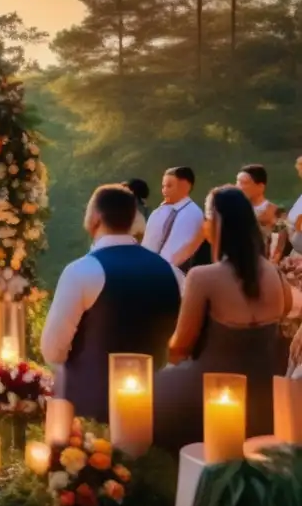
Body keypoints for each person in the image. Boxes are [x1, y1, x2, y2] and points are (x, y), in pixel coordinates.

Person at [154, 186, 293, 453]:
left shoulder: (203, 278)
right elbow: (284, 315)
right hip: (265, 398)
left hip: (212, 394)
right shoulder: (275, 274)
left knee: (152, 389)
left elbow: (180, 348)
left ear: (214, 224)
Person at [40, 184, 183, 423]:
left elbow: (53, 350)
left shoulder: (81, 271)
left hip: (92, 411)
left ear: (95, 217)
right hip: (156, 409)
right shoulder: (173, 273)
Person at [142, 166, 207, 272]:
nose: (164, 191)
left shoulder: (192, 213)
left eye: (169, 186)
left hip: (170, 274)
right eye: (163, 186)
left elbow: (176, 252)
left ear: (186, 186)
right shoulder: (160, 211)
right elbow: (148, 244)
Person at [237, 164, 278, 255]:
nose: (239, 187)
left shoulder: (275, 211)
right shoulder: (234, 211)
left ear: (260, 187)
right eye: (238, 182)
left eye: (244, 183)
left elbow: (280, 240)